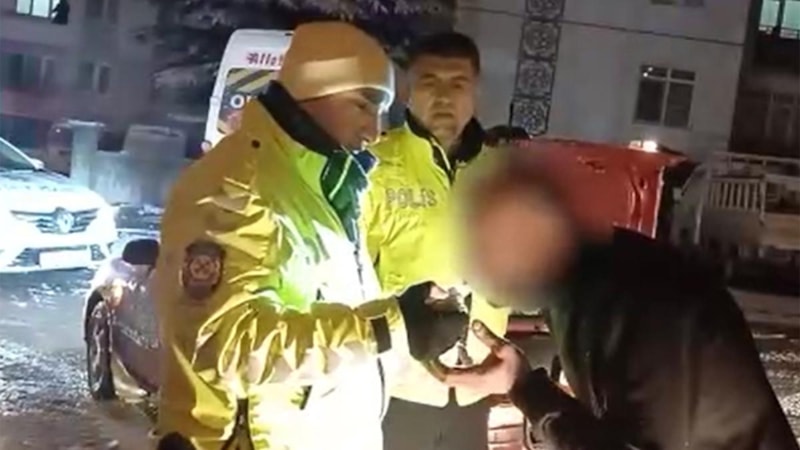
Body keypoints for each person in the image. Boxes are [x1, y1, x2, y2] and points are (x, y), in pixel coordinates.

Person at [152, 22, 468, 450]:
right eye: (364, 105)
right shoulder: (237, 185)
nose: (375, 131)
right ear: (312, 90)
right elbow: (226, 347)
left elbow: (329, 318)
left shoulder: (322, 185)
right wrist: (390, 325)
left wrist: (411, 320)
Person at [441, 150, 800, 450]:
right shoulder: (581, 286)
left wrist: (524, 388)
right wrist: (521, 385)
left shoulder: (643, 302)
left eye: (487, 243)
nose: (477, 267)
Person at [362, 32, 508, 450]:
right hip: (396, 386)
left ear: (475, 92)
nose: (444, 97)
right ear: (407, 90)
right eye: (430, 82)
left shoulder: (502, 175)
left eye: (458, 83)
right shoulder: (374, 165)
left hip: (478, 386)